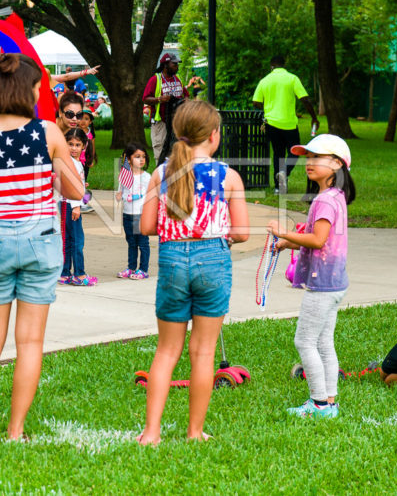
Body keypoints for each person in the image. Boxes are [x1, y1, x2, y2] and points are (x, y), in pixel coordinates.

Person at [0, 52, 83, 442]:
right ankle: (15, 431)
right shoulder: (47, 133)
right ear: (26, 90)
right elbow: (75, 191)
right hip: (40, 242)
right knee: (29, 342)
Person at [137, 100, 250, 444]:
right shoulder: (228, 176)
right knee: (204, 353)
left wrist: (178, 229)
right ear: (214, 136)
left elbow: (145, 226)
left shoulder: (160, 173)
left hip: (172, 260)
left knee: (166, 351)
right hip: (213, 260)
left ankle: (151, 432)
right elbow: (242, 232)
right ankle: (195, 432)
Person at [269, 135, 354, 419]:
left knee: (304, 341)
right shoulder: (335, 197)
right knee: (324, 342)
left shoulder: (325, 201)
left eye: (316, 157)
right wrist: (287, 243)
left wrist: (282, 232)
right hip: (334, 282)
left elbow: (317, 240)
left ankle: (318, 404)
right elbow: (322, 241)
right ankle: (330, 402)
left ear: (337, 164)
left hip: (322, 285)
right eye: (307, 157)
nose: (309, 163)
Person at [252, 55, 320, 194]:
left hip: (271, 122)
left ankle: (278, 187)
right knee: (295, 151)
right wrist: (314, 118)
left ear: (271, 66)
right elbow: (305, 99)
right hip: (289, 123)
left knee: (278, 153)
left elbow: (256, 102)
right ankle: (285, 172)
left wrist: (268, 108)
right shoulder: (292, 78)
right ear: (284, 65)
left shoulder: (265, 80)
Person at [58, 128, 94, 287]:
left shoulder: (76, 163)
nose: (73, 148)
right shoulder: (69, 162)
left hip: (69, 203)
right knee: (76, 240)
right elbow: (68, 186)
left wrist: (82, 188)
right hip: (69, 204)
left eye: (77, 144)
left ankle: (65, 273)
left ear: (84, 146)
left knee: (69, 239)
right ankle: (79, 274)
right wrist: (76, 207)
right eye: (70, 144)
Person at [117, 143, 151, 280]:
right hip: (127, 214)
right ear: (129, 159)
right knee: (131, 242)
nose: (141, 159)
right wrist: (119, 195)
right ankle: (131, 267)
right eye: (137, 157)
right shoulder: (125, 175)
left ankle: (143, 269)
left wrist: (134, 196)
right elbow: (122, 190)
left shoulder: (146, 177)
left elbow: (146, 193)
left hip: (140, 214)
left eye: (143, 157)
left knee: (143, 243)